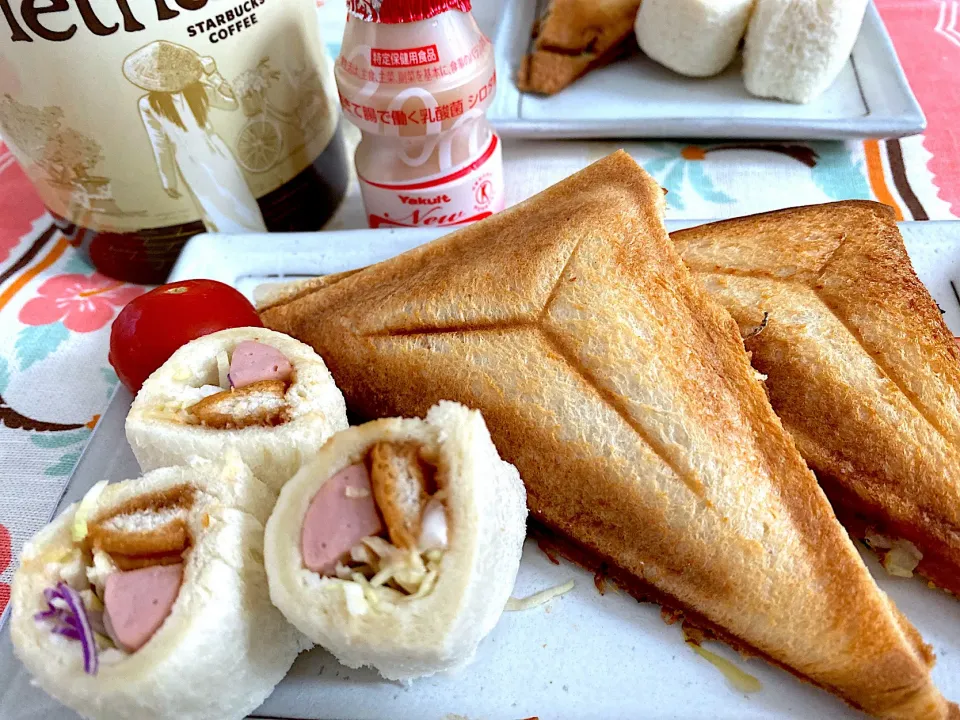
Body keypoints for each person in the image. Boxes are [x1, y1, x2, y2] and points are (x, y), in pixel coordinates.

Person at [122, 40, 267, 233]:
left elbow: (231, 104)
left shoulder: (199, 91)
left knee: (237, 199)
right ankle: (233, 248)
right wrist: (168, 179)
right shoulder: (149, 104)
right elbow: (159, 143)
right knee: (211, 207)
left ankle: (257, 242)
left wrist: (214, 75)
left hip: (213, 152)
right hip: (191, 159)